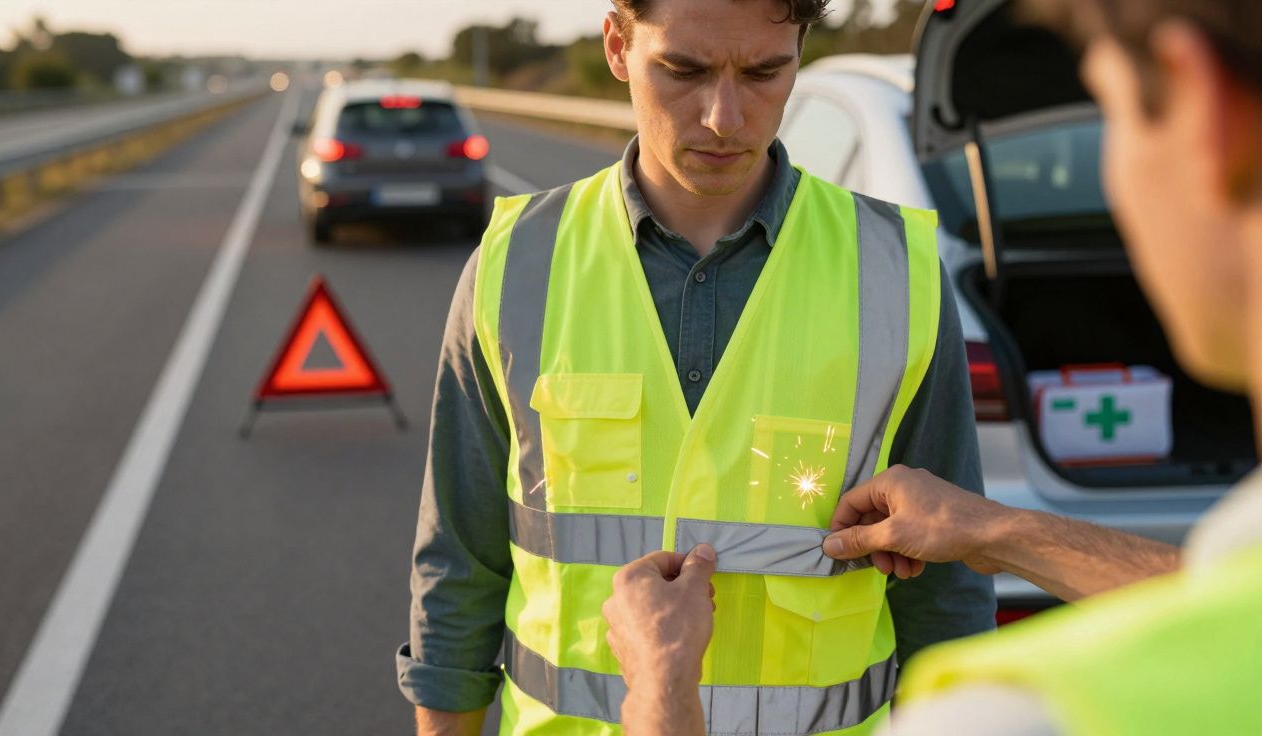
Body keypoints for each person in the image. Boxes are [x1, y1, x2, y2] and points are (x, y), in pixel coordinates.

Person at [603, 0, 1262, 733]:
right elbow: (1233, 601)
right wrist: (995, 530)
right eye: (685, 70)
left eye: (1108, 114)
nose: (726, 117)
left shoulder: (1027, 714)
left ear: (1204, 111)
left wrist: (660, 688)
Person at [396, 0, 996, 733]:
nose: (724, 116)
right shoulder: (515, 263)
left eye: (766, 72)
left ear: (801, 49)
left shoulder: (898, 274)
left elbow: (947, 595)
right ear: (617, 46)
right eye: (684, 70)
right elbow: (461, 568)